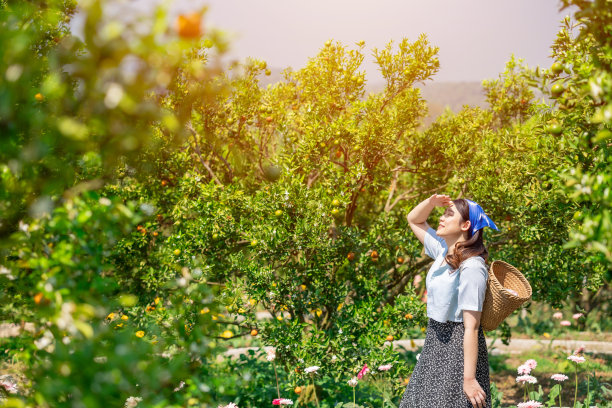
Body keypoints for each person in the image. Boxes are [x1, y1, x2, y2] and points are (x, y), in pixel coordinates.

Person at [399, 194, 498, 408]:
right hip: (435, 341)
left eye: (448, 214)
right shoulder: (443, 251)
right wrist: (430, 203)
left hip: (457, 350)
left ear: (466, 225)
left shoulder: (472, 267)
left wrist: (469, 379)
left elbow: (471, 327)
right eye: (443, 213)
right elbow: (414, 219)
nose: (441, 218)